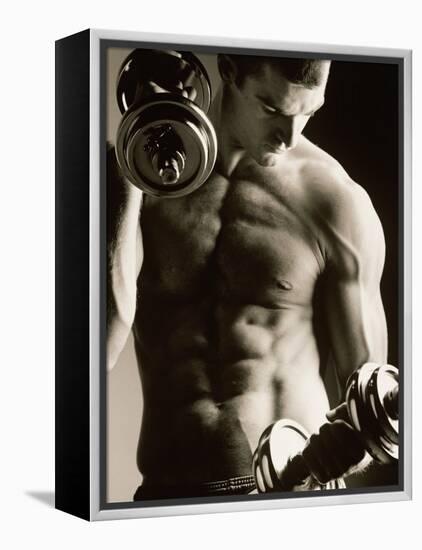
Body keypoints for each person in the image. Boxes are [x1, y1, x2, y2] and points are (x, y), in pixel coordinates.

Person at [107, 52, 387, 499]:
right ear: (230, 72)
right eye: (272, 109)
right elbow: (100, 343)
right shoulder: (143, 182)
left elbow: (372, 397)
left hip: (292, 494)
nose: (289, 137)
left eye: (309, 114)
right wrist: (134, 148)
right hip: (169, 495)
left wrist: (353, 448)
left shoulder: (335, 200)